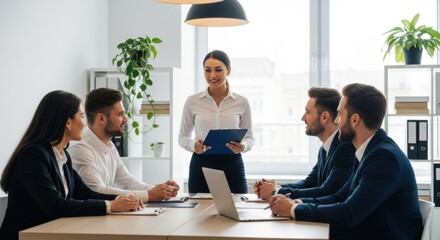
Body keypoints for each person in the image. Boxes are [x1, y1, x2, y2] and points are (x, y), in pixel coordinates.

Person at [269, 83, 423, 239]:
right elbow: (340, 197)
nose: (336, 121)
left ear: (355, 119)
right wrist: (296, 203)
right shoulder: (367, 150)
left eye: (339, 115)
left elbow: (349, 213)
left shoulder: (384, 158)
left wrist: (293, 210)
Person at [0, 90, 144, 240]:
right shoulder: (33, 156)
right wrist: (111, 206)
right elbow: (55, 205)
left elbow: (85, 193)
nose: (85, 123)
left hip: (53, 233)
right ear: (68, 123)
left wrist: (120, 199)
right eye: (81, 117)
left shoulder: (62, 155)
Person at [69, 88, 179, 203]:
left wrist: (161, 190)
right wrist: (148, 195)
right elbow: (97, 191)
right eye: (120, 114)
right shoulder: (80, 148)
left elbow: (128, 182)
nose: (125, 119)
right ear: (101, 118)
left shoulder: (109, 146)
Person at [254, 87, 355, 200]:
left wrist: (276, 191)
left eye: (307, 112)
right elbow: (309, 183)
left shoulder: (345, 148)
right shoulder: (325, 148)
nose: (303, 118)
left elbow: (327, 191)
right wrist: (274, 187)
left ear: (325, 117)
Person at [178, 50, 254, 193]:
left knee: (239, 208)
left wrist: (242, 146)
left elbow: (250, 138)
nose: (212, 75)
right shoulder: (192, 101)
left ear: (228, 71)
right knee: (200, 211)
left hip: (232, 164)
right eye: (208, 70)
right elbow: (182, 137)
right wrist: (194, 145)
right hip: (201, 164)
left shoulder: (242, 102)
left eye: (218, 70)